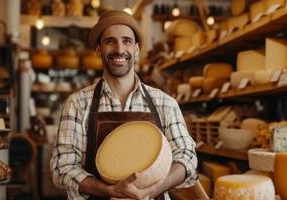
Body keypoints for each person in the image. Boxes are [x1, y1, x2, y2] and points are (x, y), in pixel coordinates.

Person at [50, 10, 197, 200]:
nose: (119, 49)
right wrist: (108, 191)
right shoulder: (77, 104)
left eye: (127, 41)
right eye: (110, 41)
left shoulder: (165, 103)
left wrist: (152, 190)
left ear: (136, 49)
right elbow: (62, 167)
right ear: (98, 50)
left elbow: (187, 157)